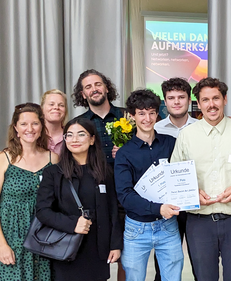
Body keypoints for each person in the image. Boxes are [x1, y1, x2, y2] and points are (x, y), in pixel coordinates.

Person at [171, 77, 231, 281]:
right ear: (198, 103)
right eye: (205, 100)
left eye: (216, 98)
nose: (211, 104)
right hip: (199, 223)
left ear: (225, 99)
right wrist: (192, 193)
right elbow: (175, 177)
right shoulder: (186, 135)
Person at [35, 117, 123, 281]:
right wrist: (72, 223)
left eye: (81, 134)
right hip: (66, 248)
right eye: (69, 135)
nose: (74, 139)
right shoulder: (53, 173)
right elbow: (42, 211)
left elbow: (114, 210)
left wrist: (116, 245)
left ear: (92, 140)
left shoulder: (105, 172)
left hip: (98, 250)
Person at [114, 89, 184, 281]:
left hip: (168, 226)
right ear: (132, 116)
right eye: (142, 113)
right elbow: (125, 195)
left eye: (152, 112)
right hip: (136, 228)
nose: (147, 118)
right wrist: (158, 208)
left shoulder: (171, 144)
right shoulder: (124, 153)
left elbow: (183, 176)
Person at [0, 103, 59, 281]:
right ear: (16, 129)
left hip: (42, 236)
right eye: (24, 124)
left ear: (41, 127)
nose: (29, 129)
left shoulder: (52, 158)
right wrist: (1, 245)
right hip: (10, 235)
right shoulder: (2, 159)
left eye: (34, 124)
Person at [72, 69, 128, 280]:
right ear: (83, 94)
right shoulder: (79, 124)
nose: (94, 89)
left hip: (127, 191)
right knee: (96, 250)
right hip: (96, 195)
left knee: (126, 253)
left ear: (106, 87)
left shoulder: (128, 115)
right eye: (88, 87)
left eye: (98, 84)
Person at [153, 77, 197, 281]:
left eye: (181, 97)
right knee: (164, 265)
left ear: (189, 100)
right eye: (171, 98)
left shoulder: (202, 127)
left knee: (200, 262)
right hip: (167, 205)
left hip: (198, 203)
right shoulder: (154, 129)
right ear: (165, 101)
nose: (177, 102)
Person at [41, 89, 68, 155]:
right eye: (51, 104)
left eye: (61, 105)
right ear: (42, 109)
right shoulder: (34, 135)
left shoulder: (71, 136)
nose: (56, 107)